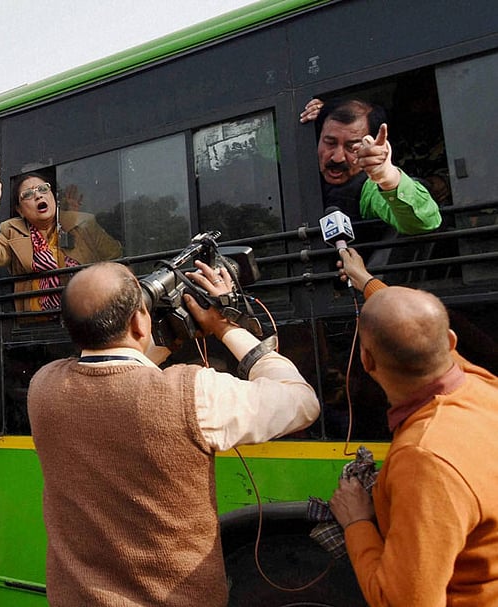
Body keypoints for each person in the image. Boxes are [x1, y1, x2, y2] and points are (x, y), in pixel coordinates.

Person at [27, 261, 320, 606]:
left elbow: (117, 371)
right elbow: (302, 402)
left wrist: (169, 335)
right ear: (139, 320)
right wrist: (227, 327)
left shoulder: (44, 386)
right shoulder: (191, 395)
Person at [328, 248, 498, 606]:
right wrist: (365, 281)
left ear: (366, 360)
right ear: (450, 343)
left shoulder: (423, 459)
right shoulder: (482, 385)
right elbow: (418, 331)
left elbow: (401, 601)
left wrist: (357, 523)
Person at [0, 158, 122, 311]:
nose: (38, 195)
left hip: (85, 317)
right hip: (36, 328)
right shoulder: (12, 232)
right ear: (20, 210)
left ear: (53, 196)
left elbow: (117, 261)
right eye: (27, 194)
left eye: (43, 189)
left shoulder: (84, 224)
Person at [300, 98, 441, 235]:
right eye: (330, 143)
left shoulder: (370, 189)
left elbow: (425, 222)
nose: (338, 158)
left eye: (352, 147)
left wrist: (389, 178)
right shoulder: (296, 174)